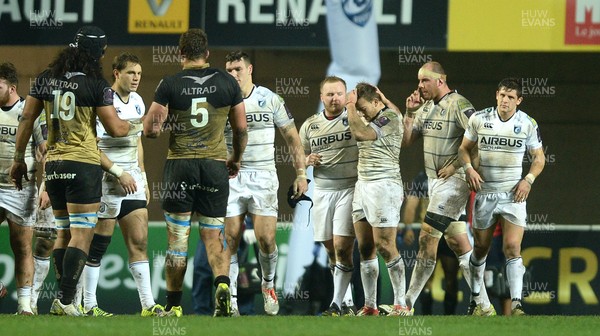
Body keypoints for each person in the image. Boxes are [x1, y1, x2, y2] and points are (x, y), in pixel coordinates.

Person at [10, 26, 140, 316]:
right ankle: (66, 301)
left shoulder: (45, 78)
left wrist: (19, 159)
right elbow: (116, 129)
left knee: (64, 233)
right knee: (82, 234)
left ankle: (62, 299)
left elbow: (27, 119)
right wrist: (142, 124)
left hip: (54, 167)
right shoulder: (97, 83)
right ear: (99, 54)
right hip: (82, 165)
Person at [143, 28, 248, 317]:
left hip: (180, 166)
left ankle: (174, 307)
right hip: (214, 166)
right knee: (214, 237)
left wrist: (158, 126)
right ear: (208, 54)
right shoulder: (228, 82)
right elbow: (240, 128)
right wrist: (235, 158)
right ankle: (223, 285)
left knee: (178, 240)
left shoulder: (170, 83)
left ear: (181, 54)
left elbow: (150, 129)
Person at [402, 61, 494, 315]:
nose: (419, 86)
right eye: (418, 81)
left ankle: (406, 303)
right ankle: (484, 306)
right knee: (458, 243)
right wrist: (409, 114)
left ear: (440, 80)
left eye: (424, 81)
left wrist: (455, 166)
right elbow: (406, 141)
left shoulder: (459, 104)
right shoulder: (425, 108)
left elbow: (479, 140)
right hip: (435, 183)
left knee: (426, 236)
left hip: (454, 182)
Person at [78, 52, 165, 317]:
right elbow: (92, 145)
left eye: (138, 73)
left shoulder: (138, 101)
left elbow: (137, 140)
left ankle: (148, 305)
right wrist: (118, 173)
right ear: (116, 73)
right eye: (130, 73)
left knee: (139, 241)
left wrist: (143, 176)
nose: (136, 78)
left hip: (133, 180)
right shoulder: (103, 100)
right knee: (98, 246)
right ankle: (89, 304)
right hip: (106, 180)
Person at [223, 50, 308, 316]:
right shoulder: (221, 100)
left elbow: (292, 138)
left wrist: (301, 173)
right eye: (229, 70)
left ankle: (268, 286)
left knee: (267, 239)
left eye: (237, 69)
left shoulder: (270, 99)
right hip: (232, 176)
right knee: (231, 238)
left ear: (249, 70)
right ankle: (232, 301)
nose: (233, 74)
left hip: (263, 175)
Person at [458, 77, 545, 316]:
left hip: (512, 195)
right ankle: (476, 299)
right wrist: (468, 169)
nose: (505, 100)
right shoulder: (479, 119)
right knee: (480, 249)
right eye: (502, 95)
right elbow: (464, 149)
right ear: (496, 95)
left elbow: (538, 157)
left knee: (512, 246)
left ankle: (517, 304)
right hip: (485, 193)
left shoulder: (527, 123)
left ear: (519, 100)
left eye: (510, 97)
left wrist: (528, 180)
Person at [346, 83, 409, 316]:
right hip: (362, 186)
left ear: (376, 103)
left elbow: (362, 135)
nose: (360, 113)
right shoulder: (378, 112)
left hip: (385, 186)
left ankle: (401, 303)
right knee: (365, 247)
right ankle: (370, 305)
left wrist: (351, 105)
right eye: (358, 110)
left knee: (385, 246)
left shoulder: (389, 117)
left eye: (363, 108)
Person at [298, 76, 358, 316]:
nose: (335, 99)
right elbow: (299, 156)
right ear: (321, 97)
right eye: (330, 94)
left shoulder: (354, 119)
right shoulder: (310, 125)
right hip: (322, 191)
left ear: (346, 95)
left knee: (344, 248)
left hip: (350, 188)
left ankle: (341, 303)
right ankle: (347, 301)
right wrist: (305, 161)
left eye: (339, 94)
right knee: (331, 250)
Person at [0, 62, 45, 315]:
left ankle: (25, 306)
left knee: (22, 247)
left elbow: (44, 150)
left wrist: (46, 185)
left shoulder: (29, 112)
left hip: (21, 190)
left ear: (12, 87)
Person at [402, 171, 460, 315]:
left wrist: (408, 227)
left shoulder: (423, 179)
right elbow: (411, 204)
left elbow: (411, 204)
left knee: (427, 279)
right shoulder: (452, 176)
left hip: (432, 232)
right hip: (446, 230)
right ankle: (447, 317)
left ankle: (430, 315)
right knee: (448, 278)